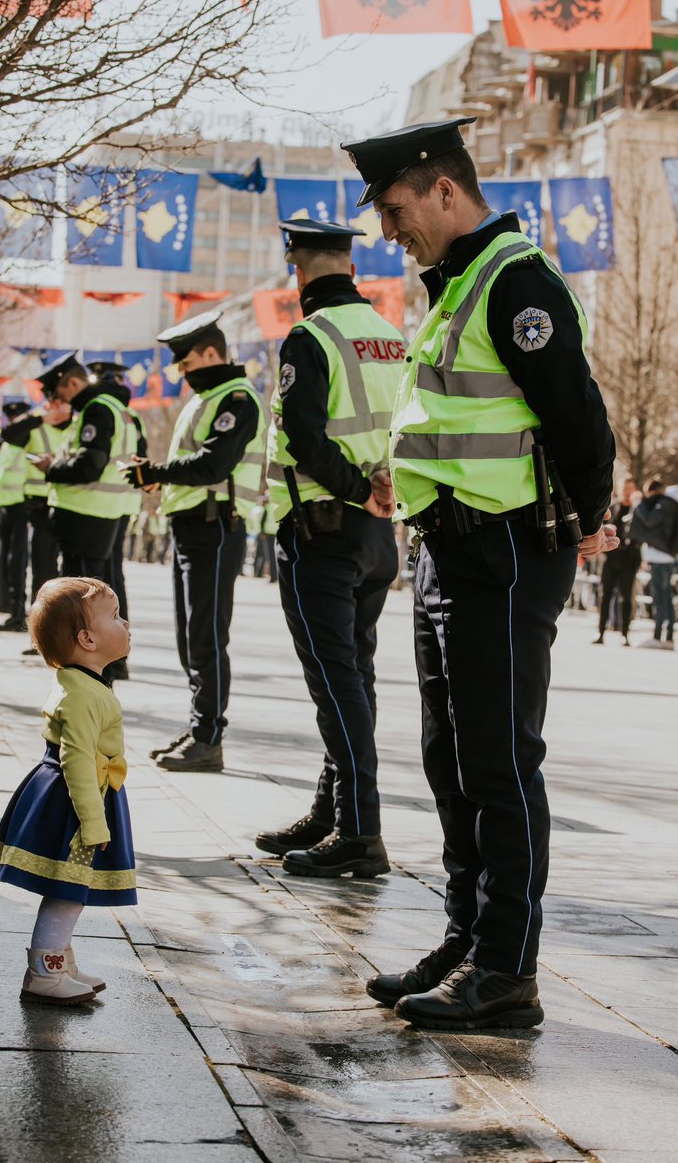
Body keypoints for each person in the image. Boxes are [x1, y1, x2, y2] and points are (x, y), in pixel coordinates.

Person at [343, 120, 617, 1030]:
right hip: (446, 551)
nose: (391, 231)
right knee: (449, 759)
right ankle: (467, 938)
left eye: (394, 210)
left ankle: (507, 970)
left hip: (503, 553)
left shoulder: (516, 282)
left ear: (444, 191)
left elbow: (578, 421)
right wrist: (399, 473)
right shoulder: (456, 285)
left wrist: (584, 521)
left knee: (500, 762)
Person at [254, 219, 404, 879]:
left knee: (335, 683)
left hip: (322, 530)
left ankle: (360, 832)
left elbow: (307, 438)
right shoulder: (392, 337)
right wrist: (379, 492)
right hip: (378, 534)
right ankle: (331, 811)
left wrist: (353, 488)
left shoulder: (309, 336)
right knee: (355, 677)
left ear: (299, 270)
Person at [122, 312, 266, 772]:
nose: (183, 376)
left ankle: (209, 737)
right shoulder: (205, 399)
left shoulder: (238, 399)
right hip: (190, 526)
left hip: (216, 527)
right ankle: (199, 725)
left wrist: (157, 473)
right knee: (190, 637)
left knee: (206, 635)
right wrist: (156, 480)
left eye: (186, 366)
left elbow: (213, 465)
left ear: (210, 353)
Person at [0, 576, 136, 1004]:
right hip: (78, 801)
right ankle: (45, 972)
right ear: (87, 639)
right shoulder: (84, 694)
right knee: (68, 889)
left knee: (73, 887)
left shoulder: (81, 682)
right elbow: (77, 761)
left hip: (83, 793)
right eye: (116, 616)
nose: (126, 624)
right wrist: (94, 821)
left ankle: (60, 962)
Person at [31, 354, 138, 583]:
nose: (59, 401)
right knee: (90, 595)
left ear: (73, 383)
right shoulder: (110, 407)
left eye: (59, 394)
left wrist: (50, 467)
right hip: (98, 513)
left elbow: (89, 466)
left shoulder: (97, 409)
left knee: (81, 597)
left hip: (86, 516)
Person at [85, 359, 148, 682]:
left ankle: (107, 659)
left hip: (101, 503)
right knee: (115, 580)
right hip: (123, 502)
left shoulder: (101, 408)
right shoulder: (132, 416)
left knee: (100, 584)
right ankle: (119, 657)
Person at [0, 399, 69, 603]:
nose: (61, 408)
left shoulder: (75, 425)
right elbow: (9, 435)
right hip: (36, 504)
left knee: (54, 568)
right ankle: (28, 613)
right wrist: (39, 418)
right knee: (37, 564)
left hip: (66, 503)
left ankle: (49, 617)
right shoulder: (37, 427)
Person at [0, 401, 33, 631]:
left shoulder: (27, 436)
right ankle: (11, 608)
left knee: (18, 561)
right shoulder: (8, 443)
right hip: (6, 506)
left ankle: (19, 611)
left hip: (22, 506)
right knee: (8, 560)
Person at [629, 477, 678, 650]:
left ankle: (659, 636)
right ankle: (668, 637)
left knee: (661, 598)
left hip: (661, 558)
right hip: (666, 557)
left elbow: (650, 520)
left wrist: (638, 504)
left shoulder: (664, 504)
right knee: (666, 597)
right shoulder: (670, 503)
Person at [593, 477, 641, 647]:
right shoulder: (612, 509)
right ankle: (600, 632)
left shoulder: (638, 510)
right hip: (611, 559)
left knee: (626, 598)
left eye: (630, 489)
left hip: (629, 560)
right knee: (605, 595)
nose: (627, 492)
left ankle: (625, 634)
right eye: (624, 488)